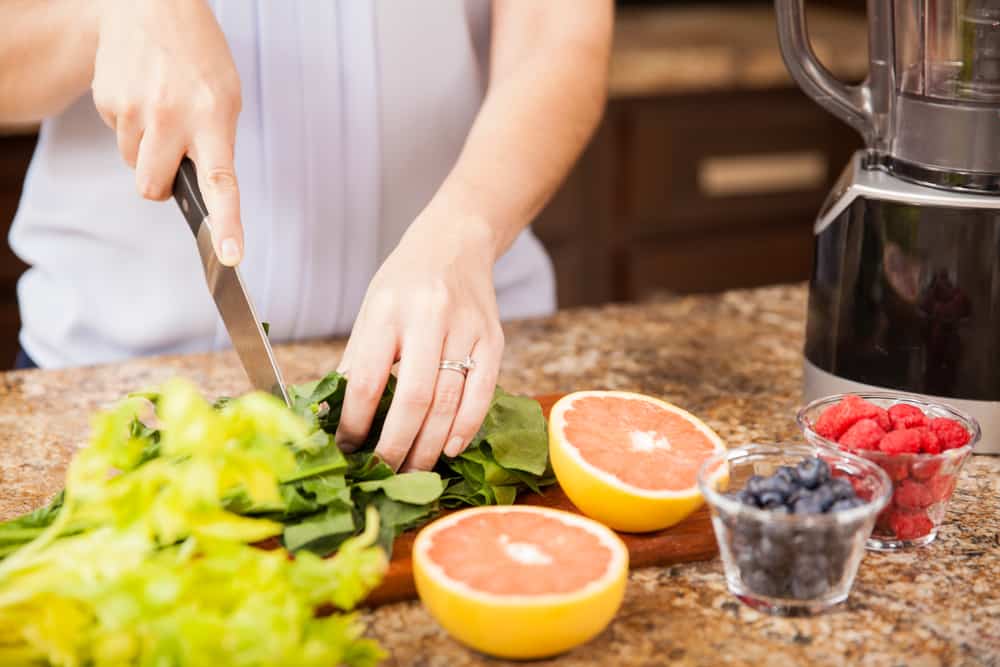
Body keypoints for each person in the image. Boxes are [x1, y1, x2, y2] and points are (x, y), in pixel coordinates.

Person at [0, 0, 612, 472]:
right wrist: (108, 12)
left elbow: (559, 38)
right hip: (106, 388)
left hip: (456, 377)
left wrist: (466, 230)